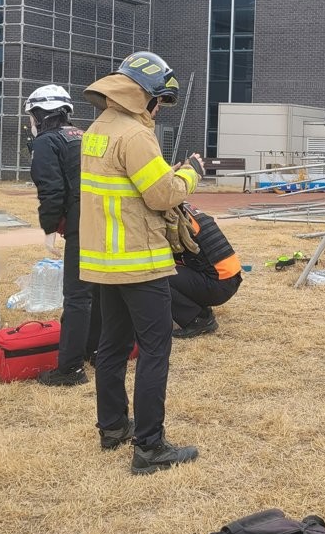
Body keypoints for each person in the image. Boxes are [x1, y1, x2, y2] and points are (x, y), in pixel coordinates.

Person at [80, 51, 203, 474]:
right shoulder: (135, 135)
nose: (159, 109)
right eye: (160, 101)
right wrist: (190, 174)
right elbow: (162, 194)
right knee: (154, 350)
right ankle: (149, 446)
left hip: (105, 261)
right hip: (139, 260)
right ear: (145, 96)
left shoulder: (98, 129)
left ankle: (113, 428)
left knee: (112, 347)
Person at [25, 84, 102, 386]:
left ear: (41, 114)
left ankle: (69, 368)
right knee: (97, 292)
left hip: (81, 222)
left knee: (77, 296)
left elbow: (52, 190)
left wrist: (48, 230)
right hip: (102, 218)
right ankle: (94, 350)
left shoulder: (46, 142)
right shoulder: (83, 136)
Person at [169, 201, 242, 338]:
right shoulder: (183, 208)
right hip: (229, 277)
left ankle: (196, 320)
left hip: (219, 283)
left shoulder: (171, 216)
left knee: (158, 277)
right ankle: (201, 312)